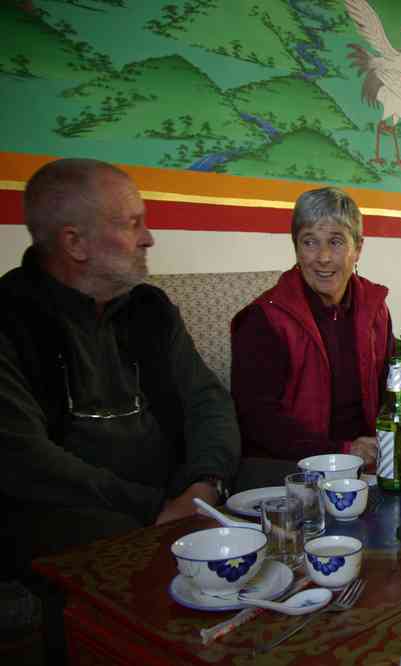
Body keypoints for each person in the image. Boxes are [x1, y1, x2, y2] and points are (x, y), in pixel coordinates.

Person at [0, 158, 241, 662]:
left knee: (297, 494)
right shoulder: (10, 317)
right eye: (132, 223)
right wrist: (155, 510)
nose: (149, 238)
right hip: (71, 511)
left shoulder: (150, 308)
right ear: (75, 243)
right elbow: (21, 457)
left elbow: (208, 400)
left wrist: (204, 483)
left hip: (179, 491)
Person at [230, 187, 394, 468]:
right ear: (296, 247)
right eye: (310, 242)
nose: (324, 257)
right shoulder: (264, 318)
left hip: (365, 462)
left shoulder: (375, 308)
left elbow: (390, 394)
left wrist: (391, 446)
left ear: (358, 248)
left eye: (336, 242)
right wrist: (342, 451)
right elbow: (256, 421)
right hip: (289, 467)